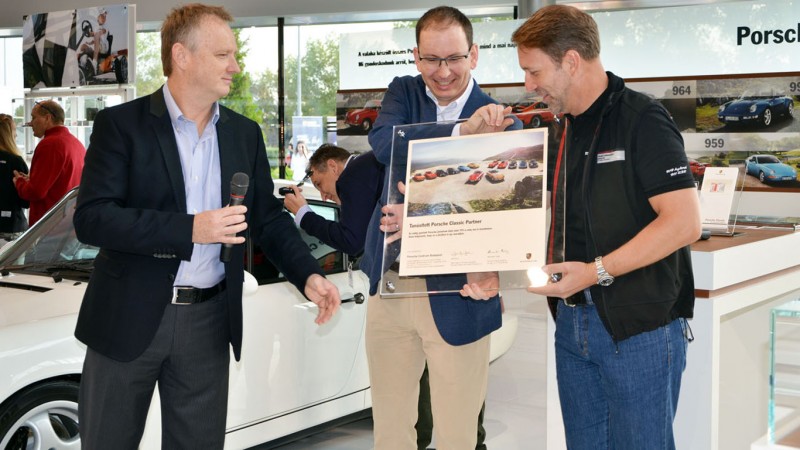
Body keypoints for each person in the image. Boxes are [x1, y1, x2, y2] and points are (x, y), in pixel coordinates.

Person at [72, 4, 341, 449]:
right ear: (181, 56)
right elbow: (93, 218)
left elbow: (267, 219)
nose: (235, 66)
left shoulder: (244, 134)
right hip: (127, 317)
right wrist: (190, 229)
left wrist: (308, 275)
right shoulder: (121, 125)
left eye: (234, 55)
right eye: (222, 55)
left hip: (209, 322)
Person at [513, 5, 700, 449]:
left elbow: (684, 222)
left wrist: (595, 272)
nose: (529, 85)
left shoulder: (643, 119)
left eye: (534, 72)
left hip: (639, 330)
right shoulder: (561, 129)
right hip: (572, 324)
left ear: (571, 61)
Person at [360, 6, 521, 450]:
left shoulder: (503, 122)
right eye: (431, 59)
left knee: (457, 435)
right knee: (390, 431)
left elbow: (499, 209)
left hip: (460, 291)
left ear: (474, 55)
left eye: (453, 59)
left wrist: (419, 212)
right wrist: (461, 136)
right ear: (416, 56)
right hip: (391, 284)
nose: (443, 71)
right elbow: (384, 145)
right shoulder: (403, 92)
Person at [282, 143, 383, 256]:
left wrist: (304, 215)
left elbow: (351, 242)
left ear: (333, 166)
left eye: (319, 184)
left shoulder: (351, 175)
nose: (323, 197)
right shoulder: (365, 167)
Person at [13, 100, 85, 226]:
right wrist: (32, 180)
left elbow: (35, 192)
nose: (30, 123)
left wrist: (19, 182)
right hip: (68, 223)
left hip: (48, 226)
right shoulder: (76, 143)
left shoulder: (50, 144)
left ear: (47, 118)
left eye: (34, 118)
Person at [0, 113, 28, 241]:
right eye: (15, 130)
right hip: (12, 226)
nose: (16, 135)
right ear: (9, 134)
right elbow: (26, 200)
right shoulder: (16, 161)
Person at [78, 7, 110, 74]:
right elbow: (94, 39)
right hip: (96, 46)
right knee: (83, 46)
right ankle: (81, 65)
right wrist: (89, 38)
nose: (104, 18)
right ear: (98, 17)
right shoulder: (96, 28)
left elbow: (100, 33)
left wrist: (93, 34)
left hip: (103, 48)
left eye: (105, 17)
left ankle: (94, 64)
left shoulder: (105, 26)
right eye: (102, 16)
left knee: (97, 36)